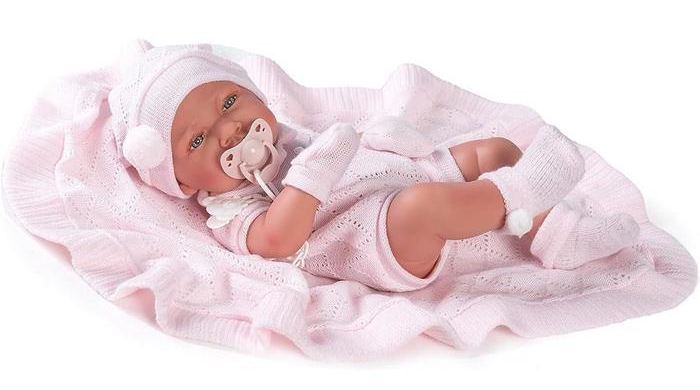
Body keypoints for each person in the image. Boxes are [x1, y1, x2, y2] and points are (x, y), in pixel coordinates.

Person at [108, 42, 640, 293]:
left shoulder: (287, 138)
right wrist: (311, 176)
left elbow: (355, 155)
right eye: (198, 140)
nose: (229, 130)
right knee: (423, 209)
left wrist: (389, 143)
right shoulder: (232, 211)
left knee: (492, 150)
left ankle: (558, 234)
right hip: (378, 240)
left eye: (229, 103)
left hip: (397, 179)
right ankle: (520, 193)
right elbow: (279, 238)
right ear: (181, 181)